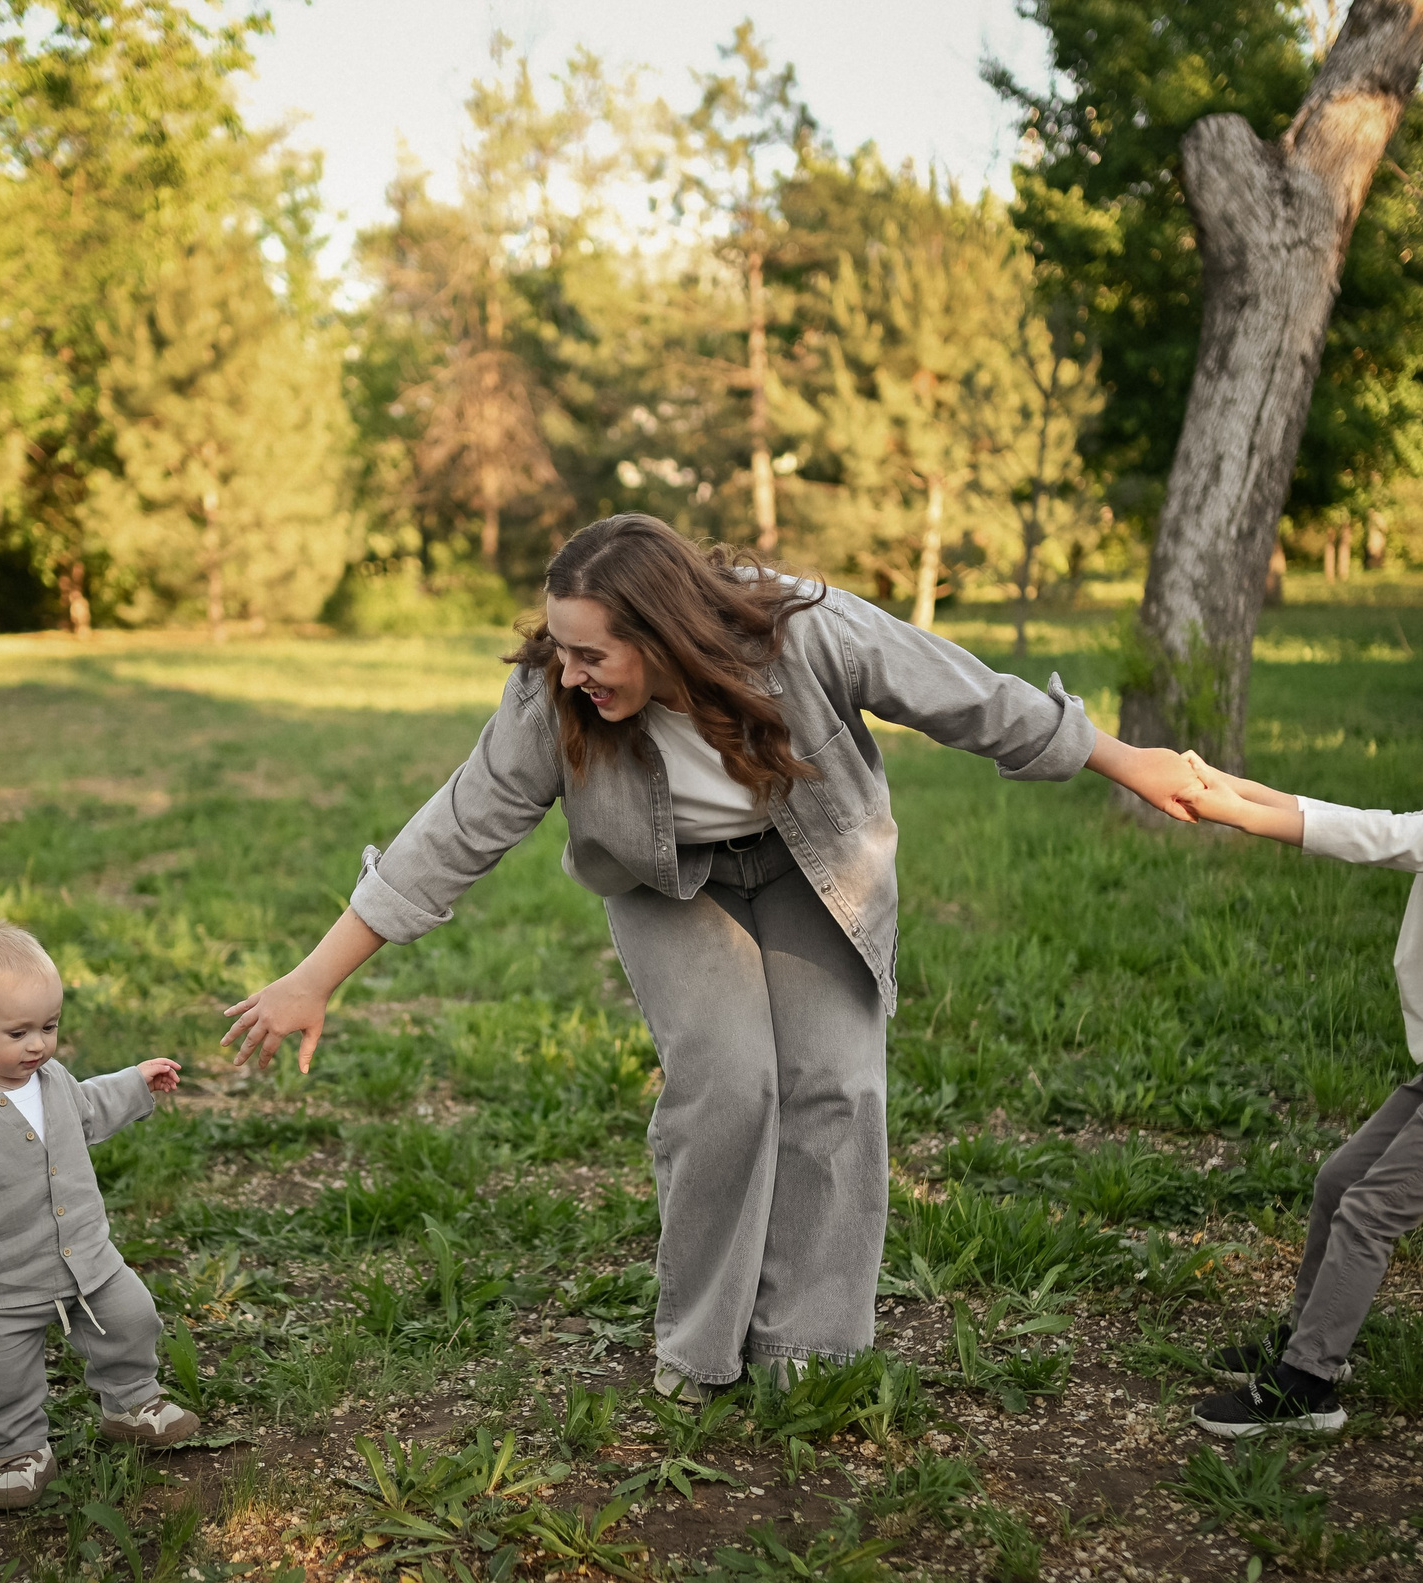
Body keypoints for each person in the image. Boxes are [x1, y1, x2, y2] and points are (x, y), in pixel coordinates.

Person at [223, 515, 1197, 1404]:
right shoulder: (549, 695)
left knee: (836, 1084)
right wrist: (316, 974)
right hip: (665, 882)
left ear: (662, 635)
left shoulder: (801, 633)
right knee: (730, 1082)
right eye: (560, 649)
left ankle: (809, 1349)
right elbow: (456, 829)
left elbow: (967, 697)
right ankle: (699, 1348)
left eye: (592, 653)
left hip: (810, 858)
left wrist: (1126, 760)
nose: (571, 674)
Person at [1176, 670, 1423, 1438]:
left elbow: (1380, 839)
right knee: (1342, 1180)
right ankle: (1308, 1340)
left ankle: (1307, 1385)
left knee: (1370, 1211)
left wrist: (1233, 814)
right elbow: (1357, 817)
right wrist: (1230, 786)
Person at [0, 920, 199, 1511]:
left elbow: (89, 1107)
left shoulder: (51, 1080)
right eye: (18, 1032)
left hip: (87, 1260)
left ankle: (131, 1402)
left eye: (49, 1027)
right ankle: (19, 1451)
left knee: (133, 1319)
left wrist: (137, 1083)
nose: (37, 1044)